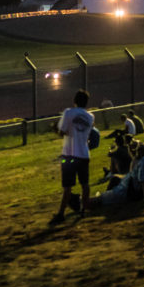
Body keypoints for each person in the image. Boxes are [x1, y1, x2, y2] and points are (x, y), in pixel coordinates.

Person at [51, 89, 94, 226]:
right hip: (84, 154)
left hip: (69, 154)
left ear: (74, 101)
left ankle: (61, 214)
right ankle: (83, 209)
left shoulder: (68, 112)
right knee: (85, 184)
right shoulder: (91, 117)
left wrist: (55, 129)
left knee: (68, 186)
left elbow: (62, 132)